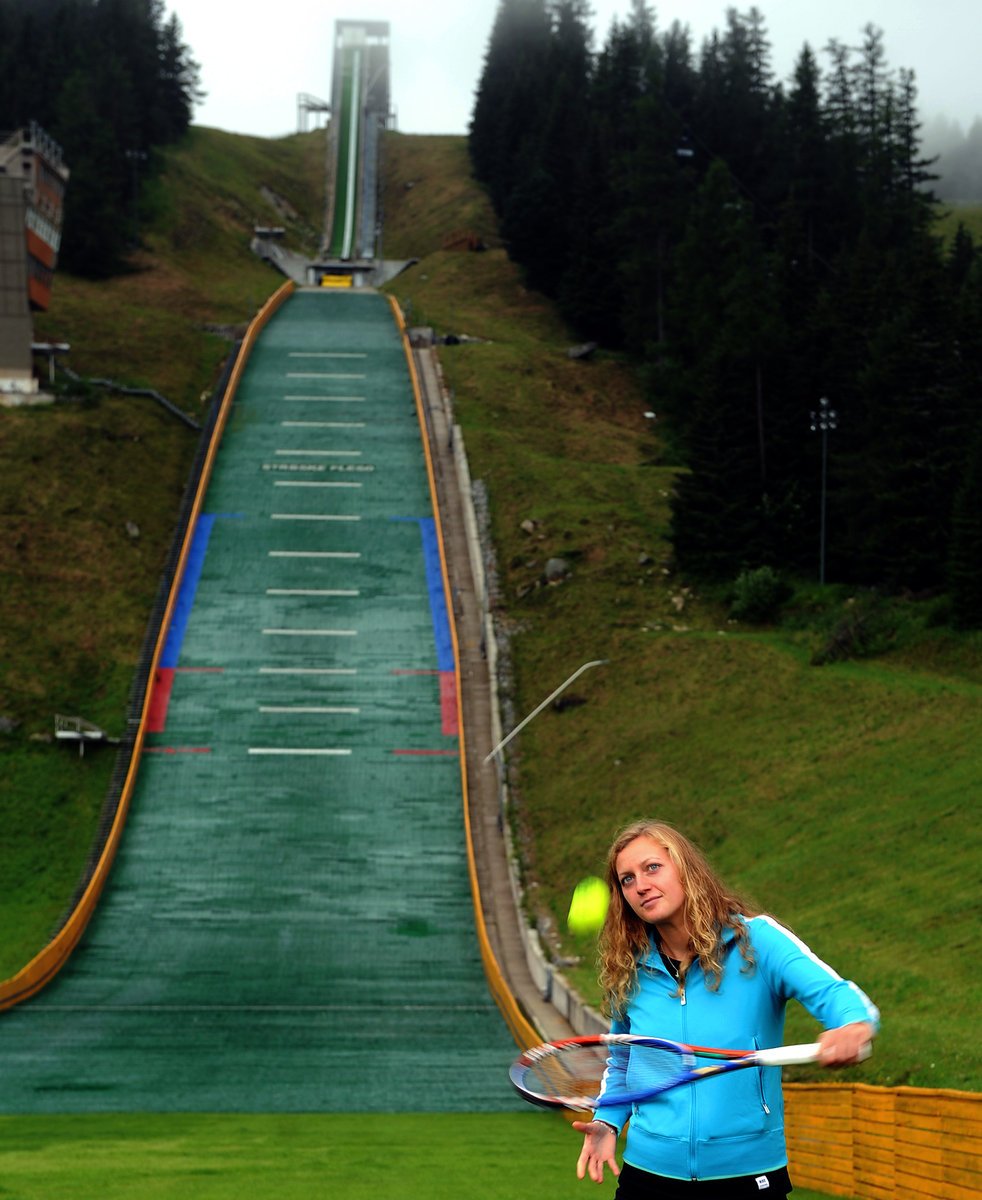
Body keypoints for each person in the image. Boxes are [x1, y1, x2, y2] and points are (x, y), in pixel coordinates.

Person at [574, 819, 879, 1198]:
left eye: (652, 867)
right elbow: (624, 1061)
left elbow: (837, 994)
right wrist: (607, 1121)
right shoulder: (629, 968)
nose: (641, 885)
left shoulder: (758, 941)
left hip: (747, 1177)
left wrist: (852, 1026)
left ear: (685, 867)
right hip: (648, 1176)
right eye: (627, 880)